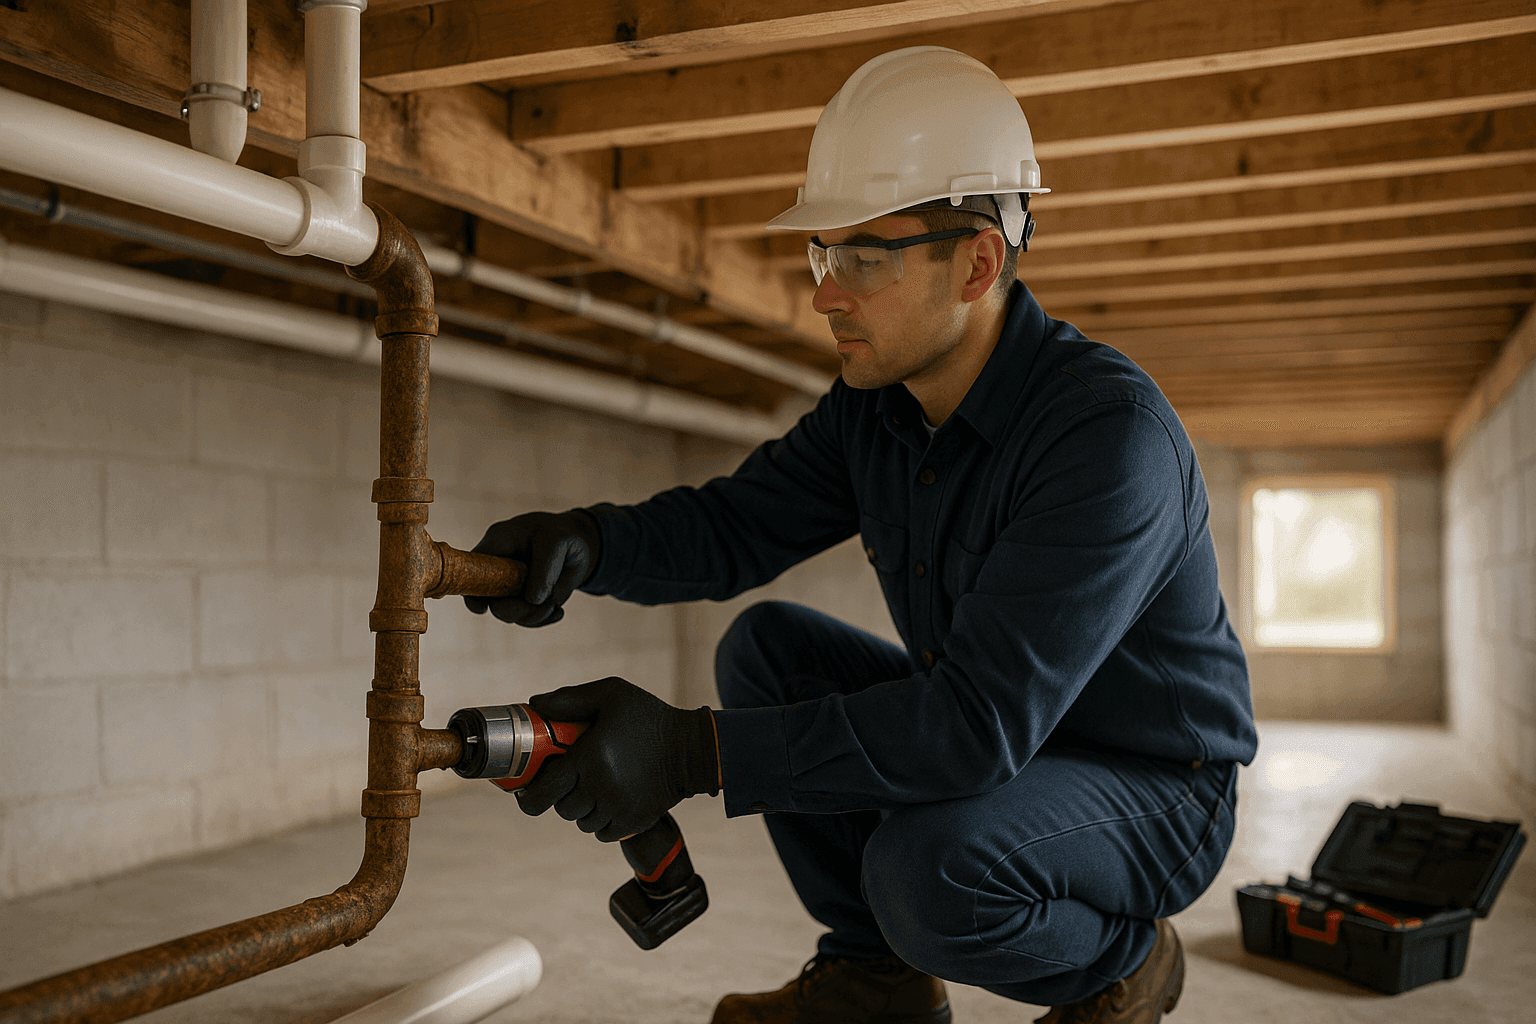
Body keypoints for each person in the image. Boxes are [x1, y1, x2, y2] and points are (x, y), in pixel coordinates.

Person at [466, 47, 1257, 1024]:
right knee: (767, 649)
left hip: (1152, 785)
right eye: (821, 254)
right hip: (1011, 739)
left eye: (861, 258)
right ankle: (876, 983)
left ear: (978, 261)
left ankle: (1125, 959)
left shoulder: (1105, 438)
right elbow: (735, 526)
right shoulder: (873, 411)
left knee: (926, 870)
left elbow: (972, 726)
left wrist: (692, 754)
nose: (824, 294)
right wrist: (587, 542)